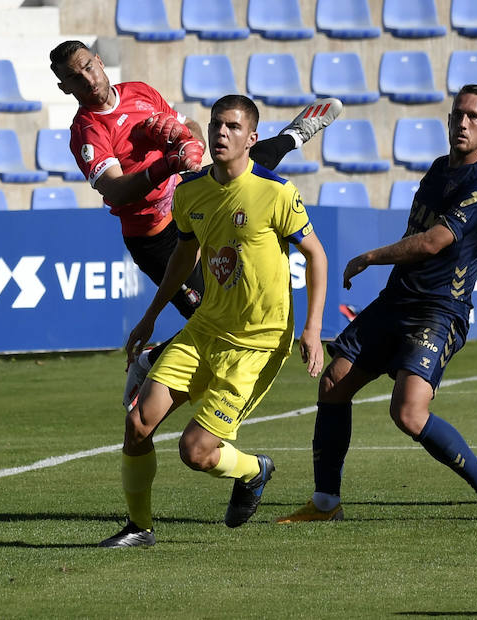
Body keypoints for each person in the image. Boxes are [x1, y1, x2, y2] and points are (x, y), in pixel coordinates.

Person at [48, 40, 342, 406]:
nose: (88, 80)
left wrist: (187, 140)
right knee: (210, 317)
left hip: (190, 199)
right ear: (65, 88)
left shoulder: (140, 92)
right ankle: (151, 362)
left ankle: (293, 135)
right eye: (74, 78)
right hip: (157, 237)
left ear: (100, 61)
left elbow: (188, 129)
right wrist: (166, 164)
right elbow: (115, 189)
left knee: (238, 165)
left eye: (89, 67)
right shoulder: (87, 131)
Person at [277, 84, 477, 525]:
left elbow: (432, 242)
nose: (463, 123)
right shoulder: (436, 170)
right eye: (457, 114)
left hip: (440, 309)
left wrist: (369, 257)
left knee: (407, 413)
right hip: (399, 300)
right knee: (333, 384)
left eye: (473, 117)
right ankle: (326, 503)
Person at [101, 94, 328, 548]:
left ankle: (254, 470)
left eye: (231, 127)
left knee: (196, 452)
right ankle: (139, 527)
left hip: (257, 342)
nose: (220, 133)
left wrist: (313, 329)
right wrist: (151, 316)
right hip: (205, 328)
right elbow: (184, 254)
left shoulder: (277, 192)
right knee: (138, 423)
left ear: (252, 138)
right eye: (215, 125)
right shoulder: (189, 192)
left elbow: (315, 256)